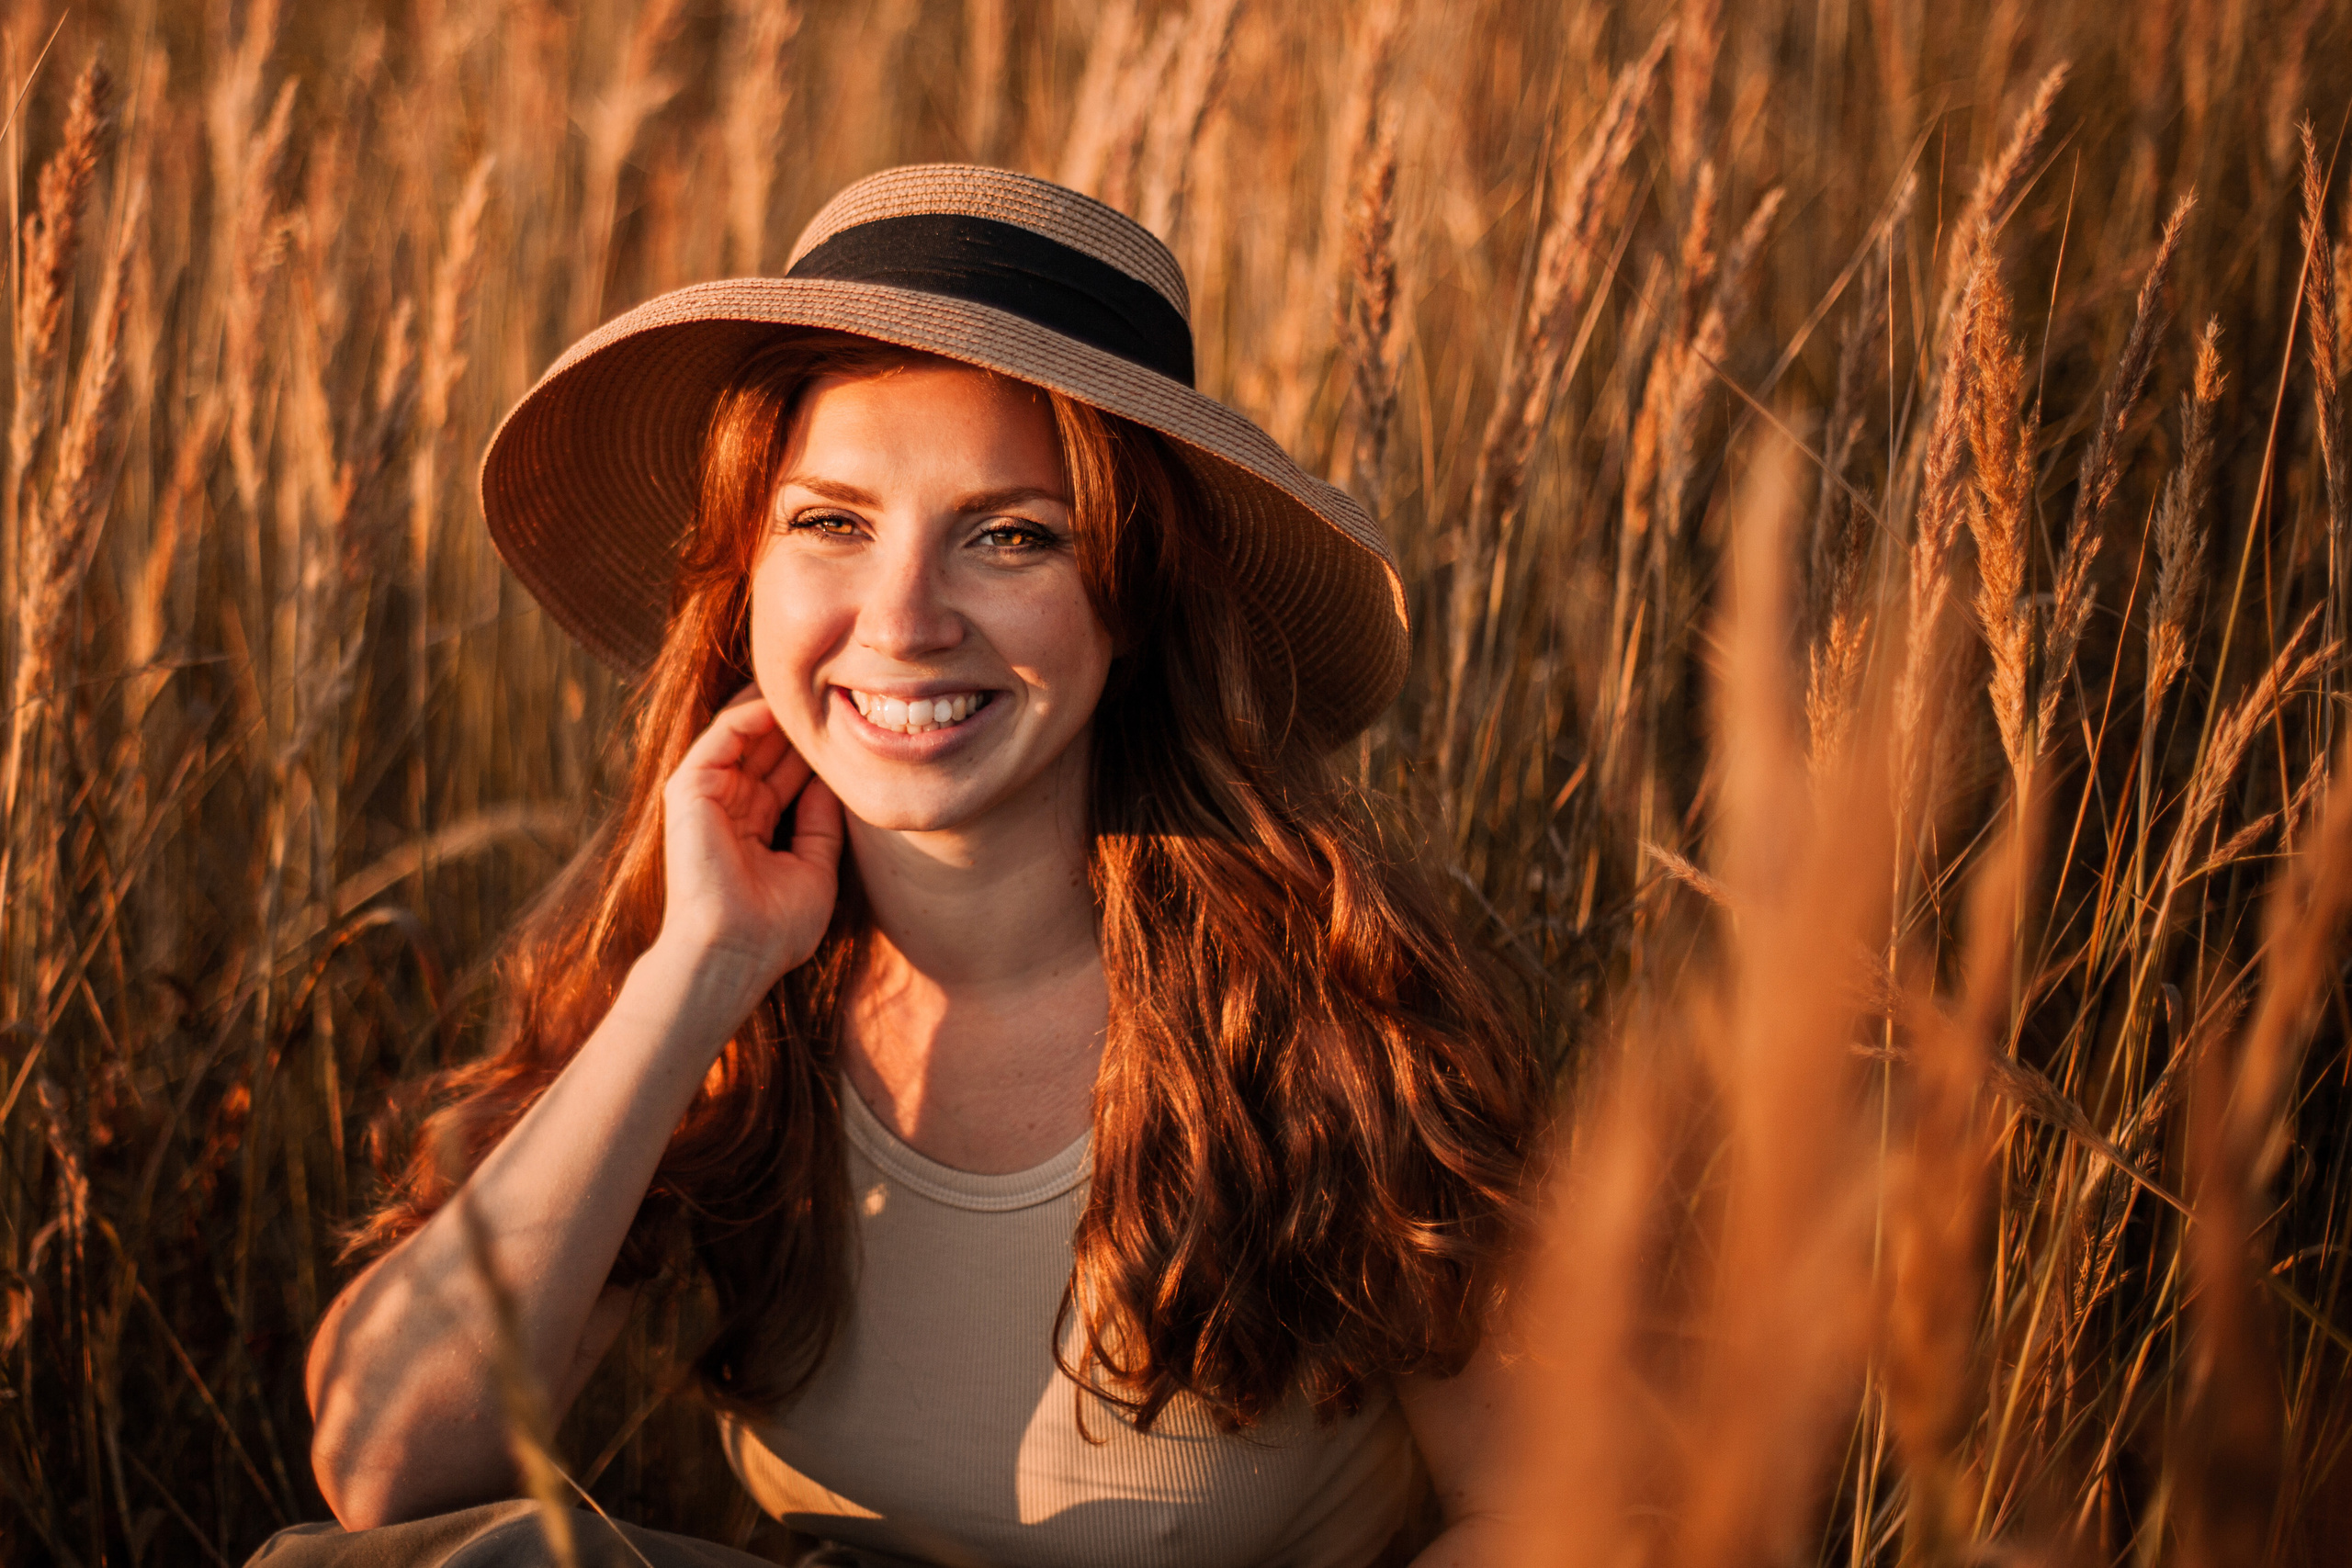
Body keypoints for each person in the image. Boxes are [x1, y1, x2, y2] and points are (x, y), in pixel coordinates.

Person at [268, 164, 1543, 1568]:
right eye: (832, 522)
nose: (904, 619)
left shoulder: (1324, 1020)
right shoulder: (726, 1003)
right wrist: (699, 974)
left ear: (1134, 601)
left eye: (1011, 537)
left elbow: (1577, 1506)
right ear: (745, 575)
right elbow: (384, 1468)